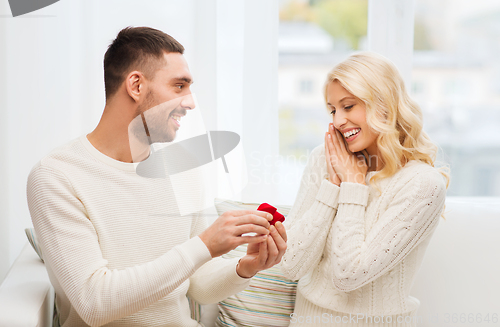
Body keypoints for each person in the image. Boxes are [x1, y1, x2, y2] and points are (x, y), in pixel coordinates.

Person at [27, 26, 287, 327]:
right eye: (179, 86)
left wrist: (246, 267)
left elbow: (200, 285)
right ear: (136, 85)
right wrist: (204, 245)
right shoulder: (56, 176)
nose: (191, 102)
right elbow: (94, 302)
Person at [280, 52, 448, 326]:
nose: (337, 121)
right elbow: (290, 265)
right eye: (333, 109)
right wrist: (333, 186)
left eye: (348, 106)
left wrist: (353, 184)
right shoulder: (323, 160)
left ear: (384, 105)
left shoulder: (423, 184)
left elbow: (347, 275)